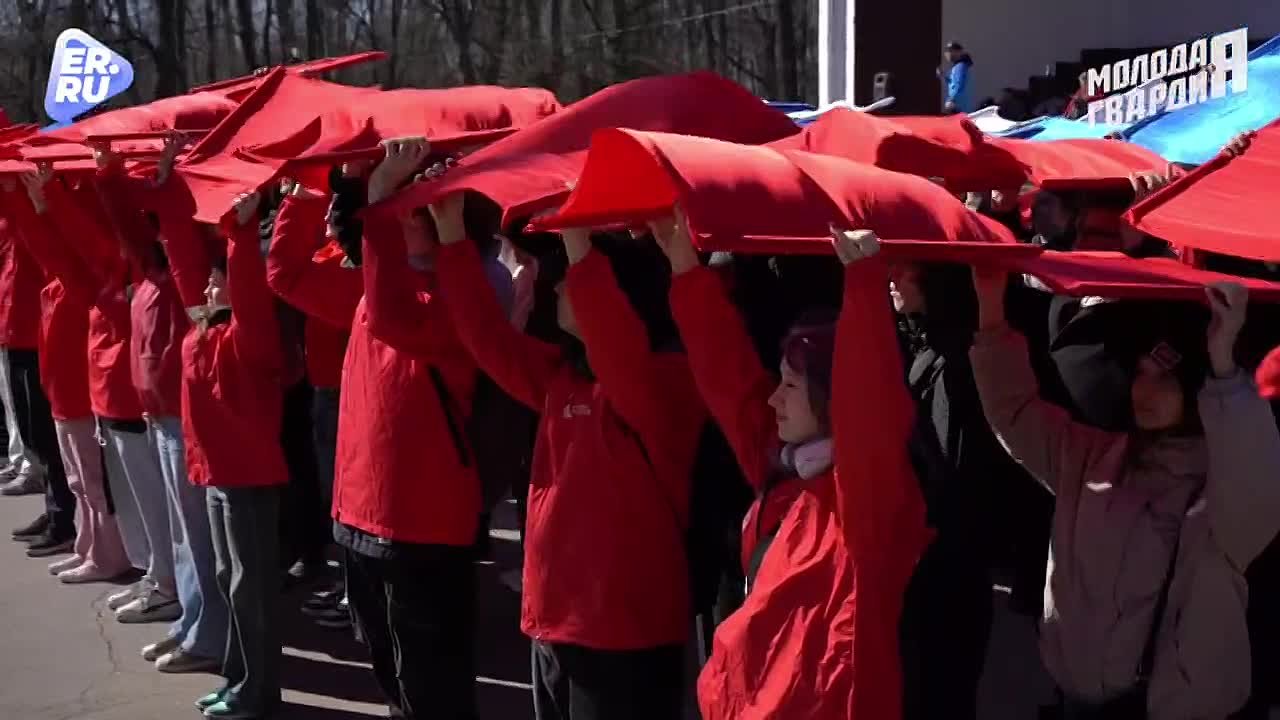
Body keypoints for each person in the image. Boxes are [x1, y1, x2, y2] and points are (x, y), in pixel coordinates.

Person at [432, 187, 706, 719]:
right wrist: (452, 240)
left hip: (623, 632)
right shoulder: (563, 377)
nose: (558, 283)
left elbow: (619, 351)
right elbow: (487, 338)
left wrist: (582, 247)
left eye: (574, 274)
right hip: (555, 619)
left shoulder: (665, 384)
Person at [654, 211, 929, 719]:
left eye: (791, 386)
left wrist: (864, 285)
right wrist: (685, 268)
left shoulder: (864, 507)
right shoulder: (788, 470)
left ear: (833, 400)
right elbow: (732, 382)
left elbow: (870, 406)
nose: (773, 398)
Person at [970, 269, 1280, 719]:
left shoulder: (1223, 493)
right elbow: (1013, 411)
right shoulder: (1091, 459)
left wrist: (1223, 365)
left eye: (1164, 378)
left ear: (1195, 388)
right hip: (1076, 702)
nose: (1144, 390)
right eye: (1140, 372)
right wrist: (990, 310)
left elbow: (1256, 482)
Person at [329, 139, 484, 720]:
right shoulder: (381, 280)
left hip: (422, 518)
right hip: (361, 508)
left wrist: (379, 196)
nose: (407, 214)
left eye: (421, 205)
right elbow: (287, 274)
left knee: (431, 680)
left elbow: (394, 318)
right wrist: (352, 184)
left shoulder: (467, 286)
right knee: (388, 664)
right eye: (404, 204)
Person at [93, 134, 228, 673]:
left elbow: (173, 230)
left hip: (185, 413)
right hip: (162, 413)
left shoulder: (192, 270)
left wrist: (170, 184)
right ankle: (191, 623)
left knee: (198, 536)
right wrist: (109, 175)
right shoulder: (153, 272)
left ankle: (209, 635)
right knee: (182, 532)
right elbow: (130, 229)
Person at [184, 192, 287, 719]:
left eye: (215, 281)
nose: (206, 288)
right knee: (230, 581)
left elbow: (248, 293)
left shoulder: (251, 337)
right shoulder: (206, 335)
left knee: (252, 588)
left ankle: (259, 692)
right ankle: (238, 678)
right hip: (218, 476)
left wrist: (242, 235)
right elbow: (182, 265)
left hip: (249, 479)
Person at [890, 261, 1004, 720]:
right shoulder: (928, 346)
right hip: (945, 564)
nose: (892, 278)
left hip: (946, 568)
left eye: (904, 269)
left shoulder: (955, 363)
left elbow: (949, 470)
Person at [6, 168, 126, 573]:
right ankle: (88, 544)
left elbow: (77, 244)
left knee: (92, 481)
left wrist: (48, 202)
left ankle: (107, 555)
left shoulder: (84, 281)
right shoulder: (60, 281)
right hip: (62, 394)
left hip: (79, 394)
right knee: (79, 479)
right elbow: (42, 246)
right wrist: (31, 202)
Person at [266, 168, 366, 630]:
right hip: (325, 389)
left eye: (333, 210)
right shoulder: (334, 255)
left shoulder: (356, 267)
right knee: (335, 498)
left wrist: (302, 198)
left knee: (348, 501)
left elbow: (284, 273)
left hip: (344, 394)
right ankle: (350, 585)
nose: (326, 217)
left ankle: (355, 592)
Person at [0, 186, 46, 497]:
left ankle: (33, 467)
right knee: (12, 399)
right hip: (9, 317)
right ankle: (21, 460)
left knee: (30, 407)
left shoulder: (24, 212)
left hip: (30, 321)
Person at [941, 42, 975, 114]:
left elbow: (959, 85)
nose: (948, 54)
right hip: (960, 106)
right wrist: (943, 76)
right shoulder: (960, 66)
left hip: (959, 107)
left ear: (959, 52)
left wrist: (951, 99)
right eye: (947, 51)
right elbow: (953, 83)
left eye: (951, 51)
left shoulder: (960, 67)